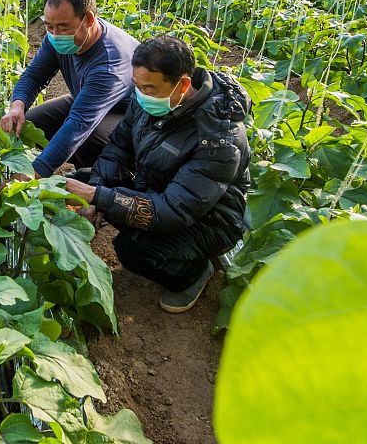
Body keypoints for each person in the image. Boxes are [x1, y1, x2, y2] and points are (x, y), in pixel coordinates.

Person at [63, 35, 251, 314]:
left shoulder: (218, 139)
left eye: (149, 88)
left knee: (134, 250)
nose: (140, 95)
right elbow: (118, 148)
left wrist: (98, 196)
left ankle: (195, 272)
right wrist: (97, 188)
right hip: (157, 184)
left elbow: (173, 210)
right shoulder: (150, 98)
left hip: (209, 219)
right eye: (137, 86)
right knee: (82, 179)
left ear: (183, 84)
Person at [0, 0, 138, 178]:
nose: (55, 35)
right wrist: (17, 106)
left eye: (63, 27)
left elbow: (80, 123)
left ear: (88, 19)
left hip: (129, 117)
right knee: (29, 124)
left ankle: (102, 181)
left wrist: (34, 173)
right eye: (49, 26)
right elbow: (34, 76)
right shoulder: (57, 35)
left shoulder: (110, 64)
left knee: (86, 136)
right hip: (87, 100)